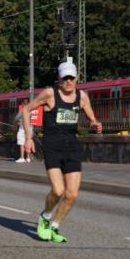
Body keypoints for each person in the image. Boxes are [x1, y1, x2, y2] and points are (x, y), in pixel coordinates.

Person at [22, 59, 102, 243]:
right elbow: (26, 110)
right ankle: (46, 216)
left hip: (72, 147)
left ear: (77, 78)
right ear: (58, 79)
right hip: (52, 146)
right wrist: (28, 137)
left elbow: (91, 116)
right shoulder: (50, 94)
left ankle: (55, 226)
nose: (68, 81)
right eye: (64, 77)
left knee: (72, 194)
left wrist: (95, 123)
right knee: (58, 191)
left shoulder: (82, 96)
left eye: (71, 78)